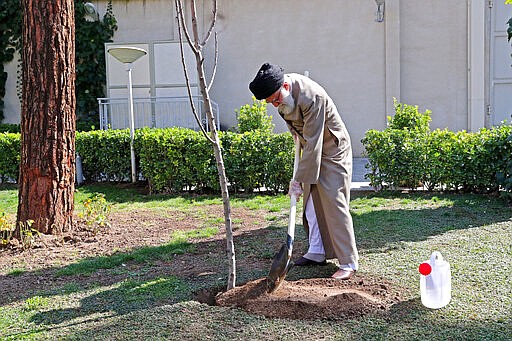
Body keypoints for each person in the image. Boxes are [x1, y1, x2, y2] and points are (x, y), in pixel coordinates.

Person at [249, 62, 359, 280]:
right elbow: (302, 134)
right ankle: (317, 251)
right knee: (310, 201)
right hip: (310, 145)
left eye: (276, 99)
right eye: (270, 102)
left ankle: (349, 261)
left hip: (332, 149)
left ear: (286, 87)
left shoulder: (311, 97)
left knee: (333, 201)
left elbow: (315, 142)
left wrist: (298, 181)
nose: (275, 105)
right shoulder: (282, 97)